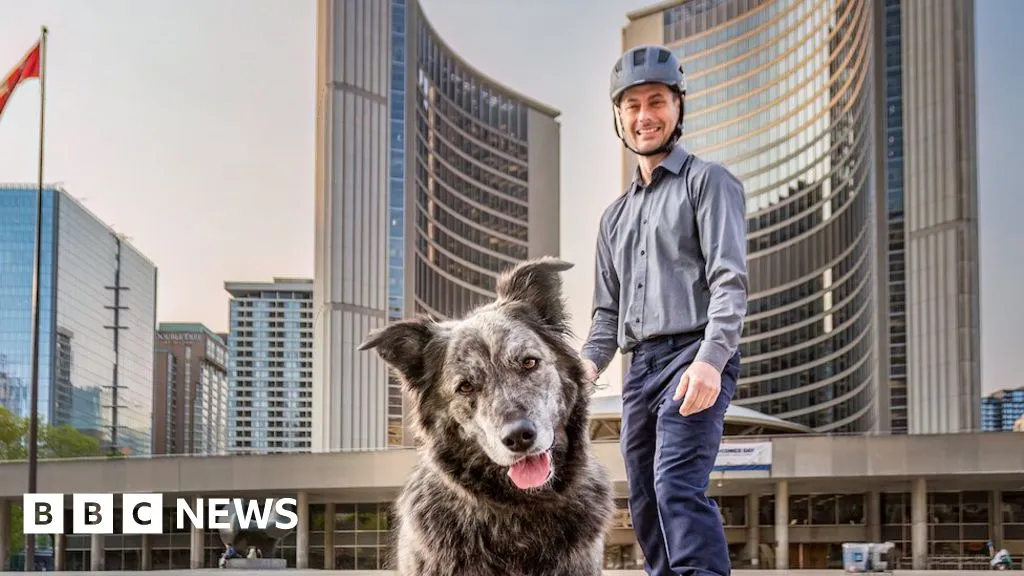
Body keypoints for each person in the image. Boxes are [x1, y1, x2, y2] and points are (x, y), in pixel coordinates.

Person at [580, 44, 749, 576]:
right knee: (646, 502)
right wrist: (582, 370)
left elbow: (729, 280)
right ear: (618, 117)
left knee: (677, 485)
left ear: (678, 108)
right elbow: (606, 315)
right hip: (640, 370)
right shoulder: (613, 218)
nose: (644, 115)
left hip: (694, 356)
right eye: (631, 105)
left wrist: (710, 360)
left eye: (656, 101)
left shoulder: (709, 182)